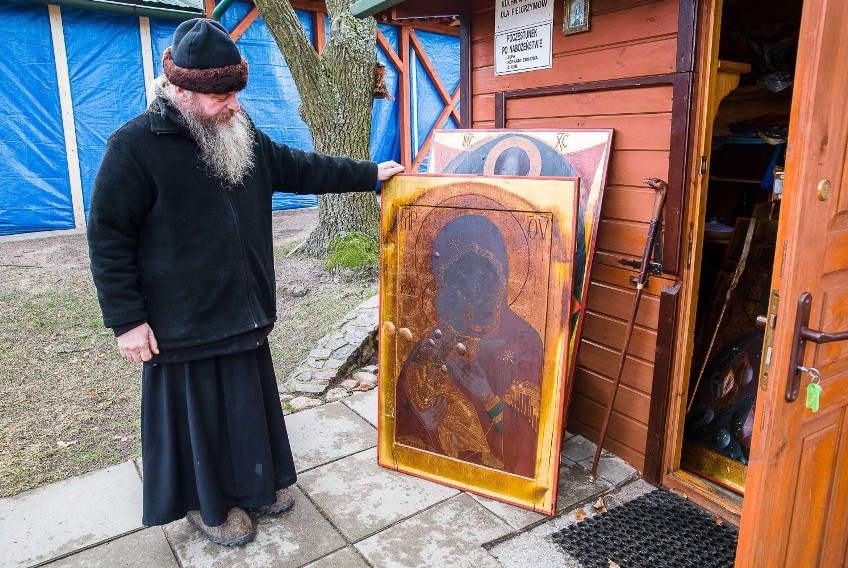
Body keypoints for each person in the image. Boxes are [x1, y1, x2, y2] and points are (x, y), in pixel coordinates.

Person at [86, 18, 404, 547]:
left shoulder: (241, 132)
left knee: (244, 405)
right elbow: (107, 237)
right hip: (181, 324)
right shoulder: (134, 147)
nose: (233, 104)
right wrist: (127, 321)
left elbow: (301, 167)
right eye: (220, 96)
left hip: (242, 309)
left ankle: (256, 486)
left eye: (236, 92)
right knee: (199, 420)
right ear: (181, 91)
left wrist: (370, 174)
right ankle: (206, 507)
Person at [395, 215, 543, 478]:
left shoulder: (523, 340)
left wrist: (486, 395)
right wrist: (425, 421)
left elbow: (531, 435)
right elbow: (405, 408)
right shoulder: (439, 336)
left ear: (500, 277)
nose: (472, 286)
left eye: (481, 274)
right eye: (460, 276)